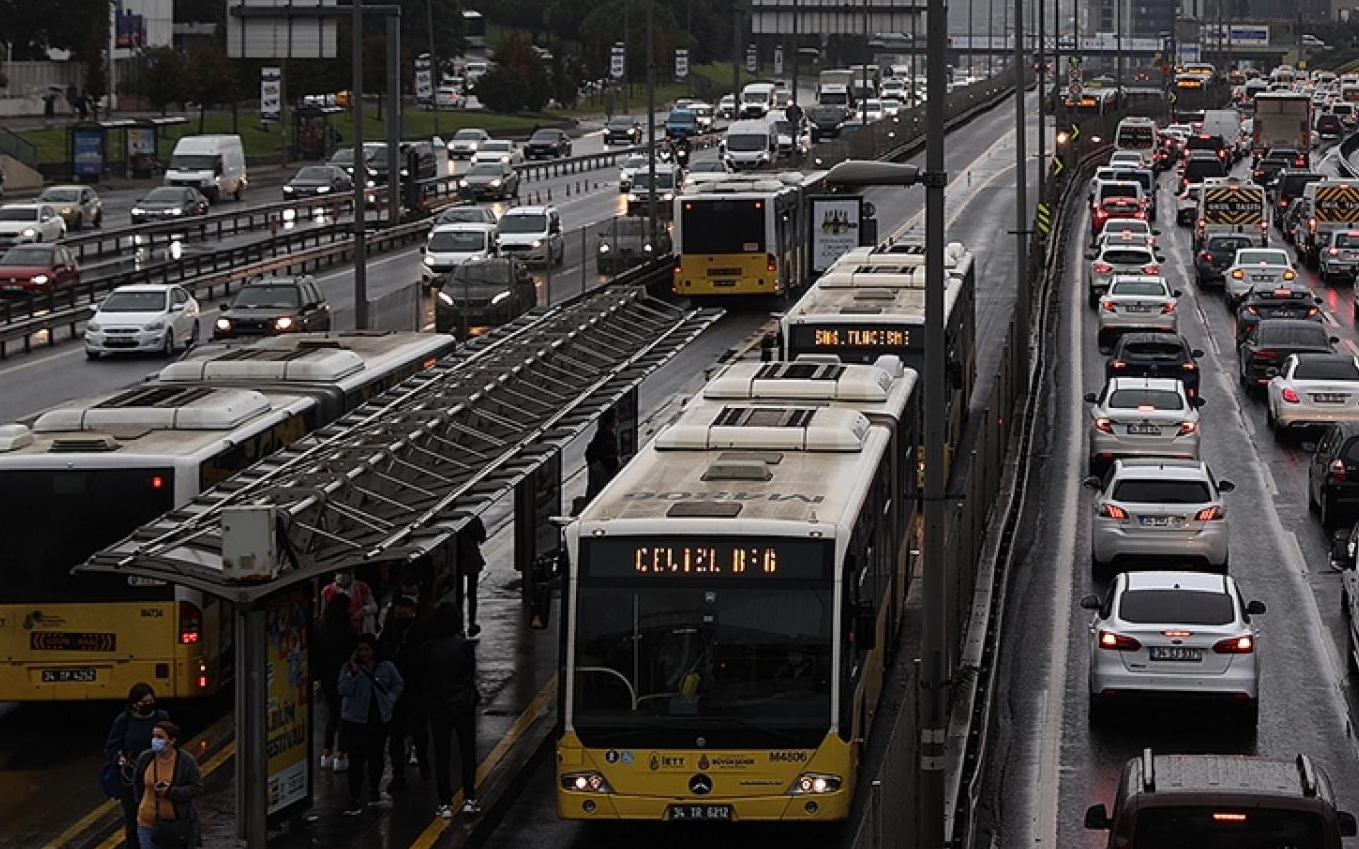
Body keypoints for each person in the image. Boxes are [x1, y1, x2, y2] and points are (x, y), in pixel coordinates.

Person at [423, 602, 480, 819]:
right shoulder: (464, 646)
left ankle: (445, 803)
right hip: (463, 705)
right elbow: (470, 673)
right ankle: (469, 798)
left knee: (442, 755)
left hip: (439, 707)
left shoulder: (428, 648)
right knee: (467, 752)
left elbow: (423, 678)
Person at [337, 633, 403, 815]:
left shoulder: (386, 667)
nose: (363, 653)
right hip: (354, 720)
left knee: (376, 757)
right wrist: (353, 673)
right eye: (360, 650)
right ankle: (355, 797)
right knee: (356, 760)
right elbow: (343, 690)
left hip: (378, 720)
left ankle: (374, 789)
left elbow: (398, 684)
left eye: (366, 649)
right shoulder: (348, 669)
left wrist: (389, 701)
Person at [104, 684, 170, 849]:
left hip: (157, 775)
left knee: (158, 816)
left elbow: (172, 742)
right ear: (134, 704)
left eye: (151, 700)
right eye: (144, 702)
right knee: (133, 818)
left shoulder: (162, 717)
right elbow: (111, 747)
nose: (149, 704)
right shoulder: (124, 720)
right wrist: (119, 759)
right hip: (132, 778)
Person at [378, 595, 430, 788]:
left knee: (419, 732)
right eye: (399, 614)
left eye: (405, 614)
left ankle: (423, 761)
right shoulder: (388, 634)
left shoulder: (420, 633)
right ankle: (398, 774)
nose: (402, 617)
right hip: (395, 694)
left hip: (415, 690)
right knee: (396, 736)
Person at [133, 721, 202, 849]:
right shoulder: (145, 758)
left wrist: (170, 792)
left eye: (160, 737)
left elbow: (196, 788)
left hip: (176, 827)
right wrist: (140, 804)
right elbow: (137, 783)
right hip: (147, 824)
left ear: (172, 740)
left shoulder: (186, 761)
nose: (155, 740)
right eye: (154, 736)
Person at [315, 592, 355, 772]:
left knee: (332, 715)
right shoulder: (347, 631)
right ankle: (341, 754)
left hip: (326, 677)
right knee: (344, 716)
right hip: (343, 676)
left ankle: (326, 752)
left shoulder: (321, 630)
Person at [454, 516, 487, 641]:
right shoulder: (474, 519)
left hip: (456, 560)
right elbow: (481, 537)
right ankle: (472, 623)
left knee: (458, 596)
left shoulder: (452, 518)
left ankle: (459, 625)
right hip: (472, 558)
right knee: (472, 593)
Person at [585, 409, 620, 500]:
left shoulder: (600, 434)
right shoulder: (607, 437)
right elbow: (610, 459)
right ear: (612, 421)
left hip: (599, 472)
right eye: (615, 418)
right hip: (604, 474)